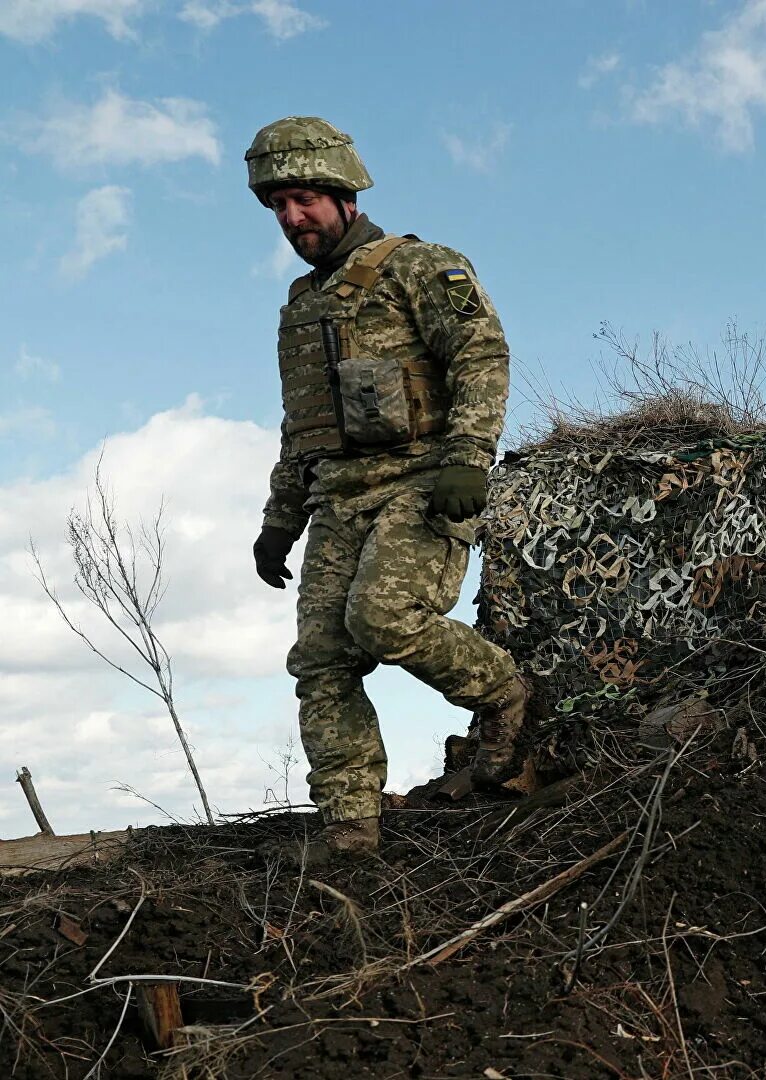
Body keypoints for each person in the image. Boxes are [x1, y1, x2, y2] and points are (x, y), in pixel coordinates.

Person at [246, 116, 526, 862]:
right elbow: (301, 425)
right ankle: (350, 826)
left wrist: (468, 454)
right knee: (321, 661)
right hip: (338, 497)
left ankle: (502, 693)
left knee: (383, 616)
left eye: (303, 199)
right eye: (277, 205)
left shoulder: (421, 267)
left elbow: (480, 354)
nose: (291, 218)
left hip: (423, 483)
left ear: (342, 192)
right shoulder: (303, 306)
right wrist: (280, 519)